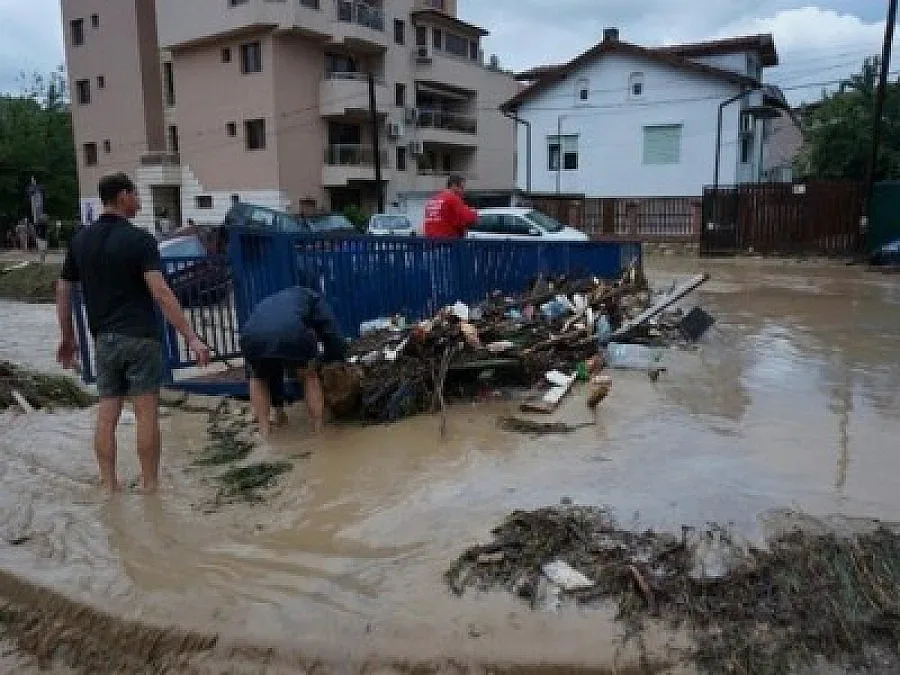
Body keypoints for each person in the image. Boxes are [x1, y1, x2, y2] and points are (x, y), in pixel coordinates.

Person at [55, 172, 211, 492]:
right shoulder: (140, 240)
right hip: (140, 337)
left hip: (103, 341)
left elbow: (63, 290)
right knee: (146, 413)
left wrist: (68, 337)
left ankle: (110, 485)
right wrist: (192, 337)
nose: (139, 201)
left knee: (107, 415)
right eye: (136, 195)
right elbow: (161, 292)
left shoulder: (80, 241)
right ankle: (150, 486)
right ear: (124, 196)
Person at [239, 286, 347, 437]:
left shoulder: (271, 301)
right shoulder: (313, 298)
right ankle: (319, 428)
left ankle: (265, 430)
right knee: (309, 375)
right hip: (291, 333)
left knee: (258, 377)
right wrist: (335, 357)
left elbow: (272, 365)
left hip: (250, 337)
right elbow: (331, 332)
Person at [422, 174, 478, 239]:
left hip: (430, 243)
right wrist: (474, 213)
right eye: (461, 188)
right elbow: (468, 218)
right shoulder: (453, 198)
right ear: (454, 186)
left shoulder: (433, 199)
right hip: (448, 242)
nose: (463, 191)